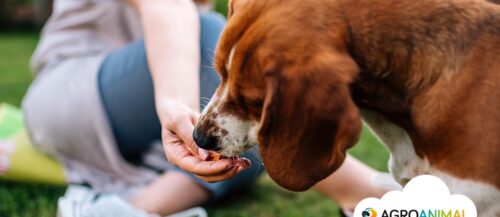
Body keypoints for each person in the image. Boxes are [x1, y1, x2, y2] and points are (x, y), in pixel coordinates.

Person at [23, 0, 390, 216]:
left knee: (238, 154)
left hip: (139, 116)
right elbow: (167, 7)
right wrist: (176, 105)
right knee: (212, 34)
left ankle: (129, 208)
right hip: (72, 91)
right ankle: (358, 189)